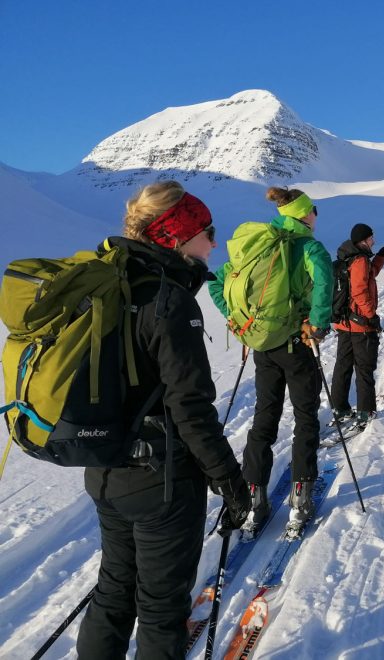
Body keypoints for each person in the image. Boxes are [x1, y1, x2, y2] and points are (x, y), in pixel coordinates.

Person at [76, 181, 251, 659]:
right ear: (176, 236)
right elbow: (190, 409)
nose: (214, 243)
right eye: (207, 232)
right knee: (159, 609)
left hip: (106, 469)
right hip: (163, 482)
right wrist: (231, 483)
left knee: (112, 593)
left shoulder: (109, 285)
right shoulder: (170, 302)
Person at [209, 187, 332, 536]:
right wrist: (318, 324)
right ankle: (300, 496)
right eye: (313, 212)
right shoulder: (308, 247)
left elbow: (219, 283)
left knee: (264, 417)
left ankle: (254, 497)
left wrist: (240, 321)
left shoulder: (258, 244)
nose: (315, 218)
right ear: (305, 214)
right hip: (296, 342)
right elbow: (324, 281)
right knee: (306, 417)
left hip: (262, 345)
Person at [329, 223, 384, 429]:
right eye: (371, 238)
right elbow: (359, 292)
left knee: (343, 367)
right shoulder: (360, 260)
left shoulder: (347, 257)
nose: (374, 241)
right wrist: (371, 316)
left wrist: (380, 258)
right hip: (360, 325)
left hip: (344, 323)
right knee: (364, 368)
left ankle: (340, 408)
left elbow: (368, 275)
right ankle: (365, 410)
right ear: (363, 240)